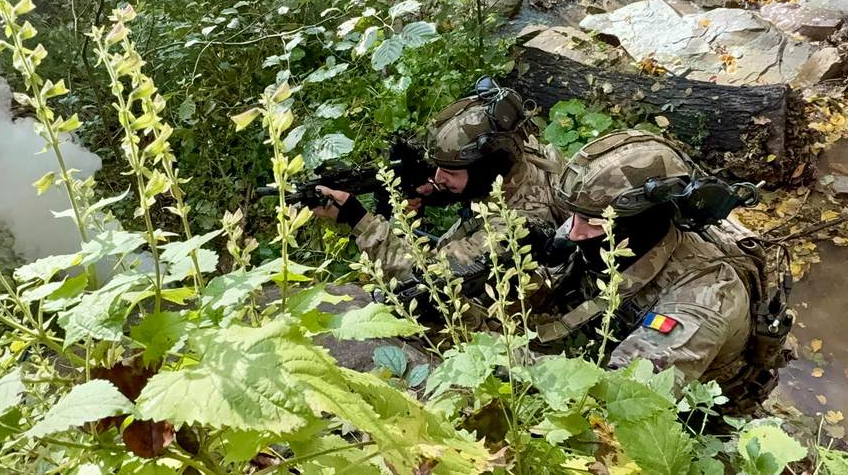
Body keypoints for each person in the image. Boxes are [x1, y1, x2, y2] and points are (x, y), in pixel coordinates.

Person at [534, 129, 789, 406]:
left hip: (698, 411)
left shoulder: (702, 302)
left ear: (642, 223)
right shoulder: (611, 231)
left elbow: (620, 401)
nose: (573, 232)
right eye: (576, 216)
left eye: (593, 223)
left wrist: (516, 363)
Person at [312, 80, 567, 284]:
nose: (438, 178)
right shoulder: (520, 154)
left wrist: (358, 220)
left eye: (450, 172)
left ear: (486, 171)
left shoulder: (511, 231)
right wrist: (440, 193)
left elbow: (425, 278)